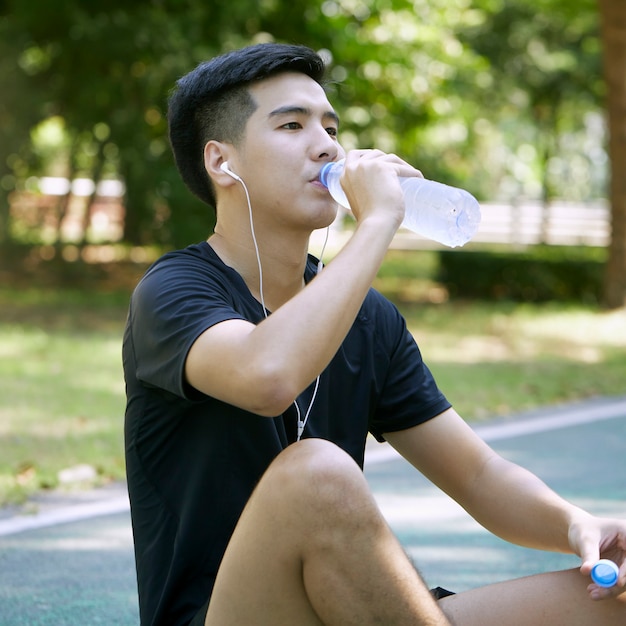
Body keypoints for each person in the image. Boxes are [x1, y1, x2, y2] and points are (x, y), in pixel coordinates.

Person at [122, 42, 626, 626]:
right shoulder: (172, 292)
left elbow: (479, 475)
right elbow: (268, 376)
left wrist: (574, 524)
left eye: (331, 127)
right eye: (292, 125)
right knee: (317, 473)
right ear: (221, 162)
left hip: (358, 608)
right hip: (228, 615)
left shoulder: (368, 317)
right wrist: (380, 222)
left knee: (612, 603)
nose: (327, 145)